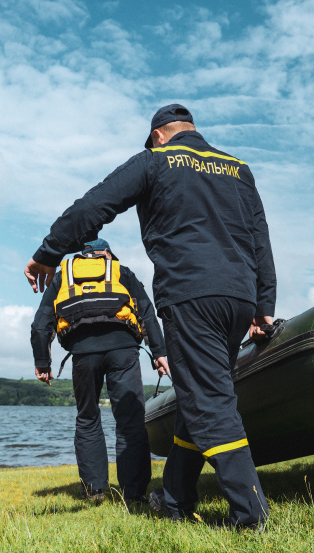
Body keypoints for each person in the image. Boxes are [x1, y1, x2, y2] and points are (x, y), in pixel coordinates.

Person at [24, 103, 276, 529]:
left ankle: (251, 515)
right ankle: (175, 500)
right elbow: (260, 240)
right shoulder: (238, 168)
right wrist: (263, 306)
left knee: (211, 402)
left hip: (191, 294)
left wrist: (49, 252)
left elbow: (93, 207)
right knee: (199, 396)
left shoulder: (155, 161)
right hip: (238, 298)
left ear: (159, 134)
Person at [30, 238, 165, 503]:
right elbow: (147, 313)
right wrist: (159, 353)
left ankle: (93, 490)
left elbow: (40, 324)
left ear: (83, 255)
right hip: (123, 350)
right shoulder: (121, 272)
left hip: (82, 353)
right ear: (106, 254)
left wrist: (42, 361)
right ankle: (134, 493)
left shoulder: (63, 276)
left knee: (88, 417)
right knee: (130, 420)